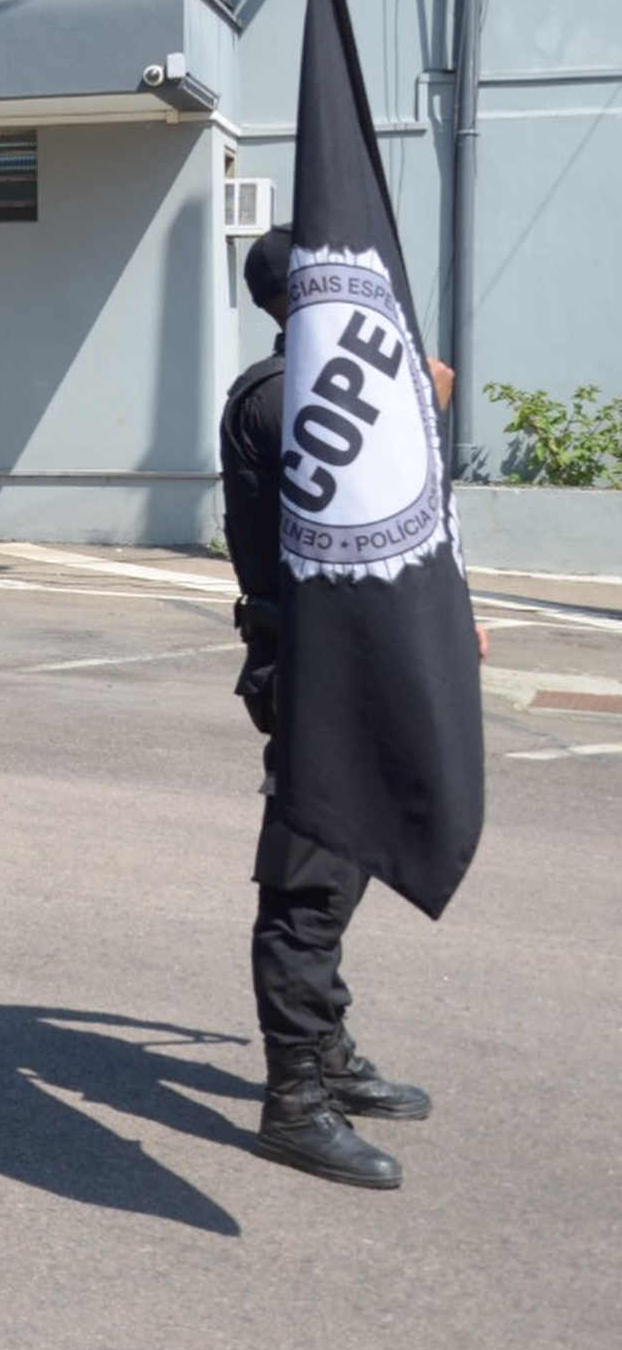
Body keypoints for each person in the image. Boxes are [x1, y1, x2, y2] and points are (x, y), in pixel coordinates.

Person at [221, 226, 443, 1189]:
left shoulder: (322, 391)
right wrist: (415, 407)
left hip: (359, 661)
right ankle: (294, 1096)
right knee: (309, 880)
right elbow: (360, 485)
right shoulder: (281, 400)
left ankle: (330, 1049)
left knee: (346, 863)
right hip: (312, 672)